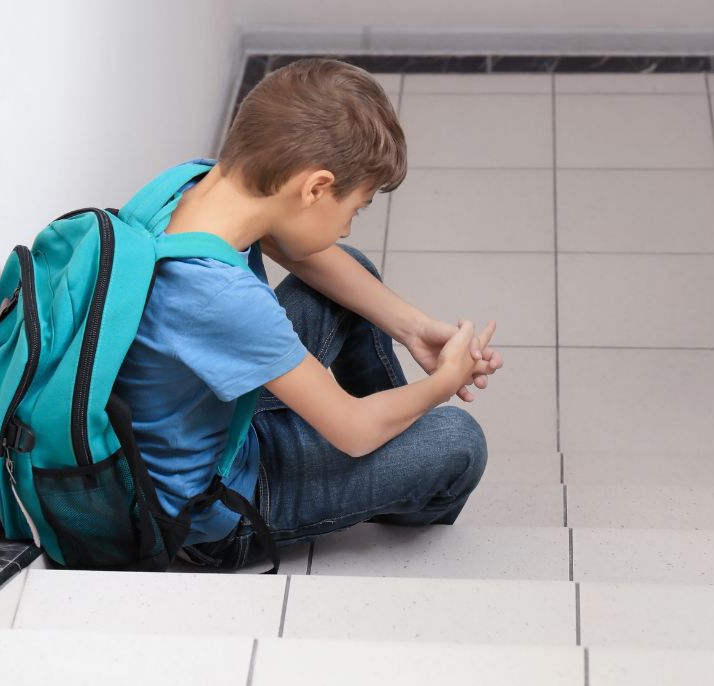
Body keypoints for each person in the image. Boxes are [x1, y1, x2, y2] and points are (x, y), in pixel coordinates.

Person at [113, 58, 503, 570]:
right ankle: (388, 492)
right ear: (315, 188)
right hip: (213, 512)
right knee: (459, 442)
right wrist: (443, 381)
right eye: (354, 208)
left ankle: (381, 443)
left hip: (199, 423)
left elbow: (290, 244)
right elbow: (353, 430)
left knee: (350, 278)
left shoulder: (191, 185)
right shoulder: (220, 296)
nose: (346, 228)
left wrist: (413, 328)